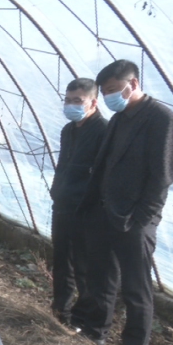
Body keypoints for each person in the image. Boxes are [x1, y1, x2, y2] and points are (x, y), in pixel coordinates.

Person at [78, 60, 173, 345]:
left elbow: (161, 177)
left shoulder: (161, 119)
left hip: (135, 220)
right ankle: (97, 331)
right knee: (103, 277)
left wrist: (142, 219)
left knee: (136, 289)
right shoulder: (121, 118)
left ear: (132, 84)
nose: (109, 98)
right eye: (106, 92)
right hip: (108, 211)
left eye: (112, 91)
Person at [49, 78, 107, 331]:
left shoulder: (103, 131)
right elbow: (64, 165)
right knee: (61, 261)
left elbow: (100, 174)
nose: (71, 105)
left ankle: (81, 318)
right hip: (63, 204)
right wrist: (56, 191)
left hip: (86, 209)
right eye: (68, 100)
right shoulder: (69, 130)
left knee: (83, 266)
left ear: (93, 102)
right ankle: (60, 308)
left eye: (77, 101)